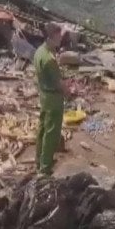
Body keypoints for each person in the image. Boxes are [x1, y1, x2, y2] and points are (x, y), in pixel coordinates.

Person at [34, 22, 66, 175]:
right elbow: (59, 83)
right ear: (52, 37)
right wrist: (70, 92)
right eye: (59, 36)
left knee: (42, 128)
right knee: (52, 132)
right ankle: (45, 166)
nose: (60, 39)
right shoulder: (49, 59)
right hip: (53, 98)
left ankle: (38, 160)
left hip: (44, 95)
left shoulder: (39, 52)